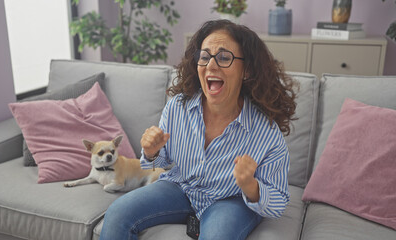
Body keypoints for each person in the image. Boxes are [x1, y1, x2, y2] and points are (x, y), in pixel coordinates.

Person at [99, 19, 297, 240]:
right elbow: (160, 161)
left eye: (224, 57)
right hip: (181, 187)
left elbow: (278, 201)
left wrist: (251, 186)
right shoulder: (178, 106)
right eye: (205, 57)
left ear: (247, 70)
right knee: (117, 213)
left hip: (232, 199)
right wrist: (151, 152)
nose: (211, 65)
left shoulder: (267, 132)